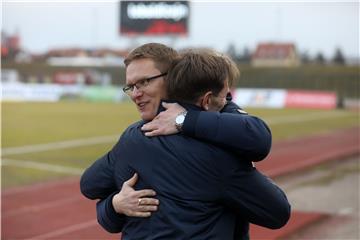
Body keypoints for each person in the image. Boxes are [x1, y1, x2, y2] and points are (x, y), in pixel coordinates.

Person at [81, 46, 290, 239]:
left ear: (171, 78)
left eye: (144, 82)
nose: (135, 94)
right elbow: (278, 213)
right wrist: (115, 204)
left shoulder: (132, 138)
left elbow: (89, 187)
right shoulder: (219, 154)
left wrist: (110, 207)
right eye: (131, 86)